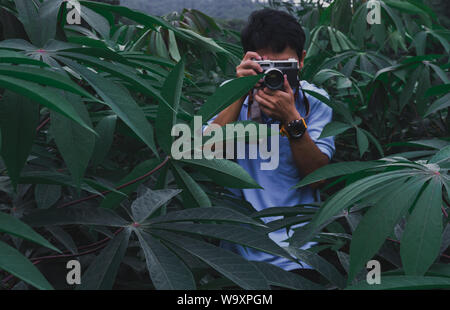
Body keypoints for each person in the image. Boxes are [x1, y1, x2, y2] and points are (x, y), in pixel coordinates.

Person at [206, 8, 335, 276]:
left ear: (301, 60)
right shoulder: (232, 94)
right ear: (248, 60)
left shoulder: (315, 101)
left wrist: (291, 119)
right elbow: (206, 154)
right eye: (266, 68)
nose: (274, 77)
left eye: (283, 68)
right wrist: (240, 92)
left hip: (300, 252)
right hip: (238, 253)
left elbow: (318, 176)